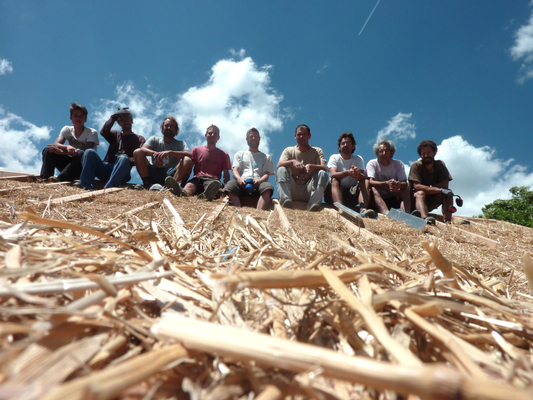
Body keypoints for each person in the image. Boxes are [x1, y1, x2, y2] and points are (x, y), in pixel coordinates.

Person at [77, 107, 145, 190]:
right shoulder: (115, 134)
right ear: (119, 123)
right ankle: (86, 186)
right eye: (122, 120)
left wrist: (127, 159)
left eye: (128, 119)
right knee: (89, 152)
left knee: (123, 158)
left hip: (122, 171)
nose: (126, 122)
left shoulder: (139, 139)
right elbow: (104, 131)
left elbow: (140, 156)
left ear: (132, 121)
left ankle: (109, 188)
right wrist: (114, 117)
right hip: (106, 168)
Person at [165, 125, 231, 201]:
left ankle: (206, 196)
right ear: (206, 135)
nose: (212, 135)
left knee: (211, 187)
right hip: (198, 178)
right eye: (210, 133)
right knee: (189, 187)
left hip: (212, 180)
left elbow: (226, 174)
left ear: (218, 137)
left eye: (215, 134)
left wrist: (226, 186)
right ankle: (183, 194)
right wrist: (184, 183)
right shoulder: (197, 150)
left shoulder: (224, 155)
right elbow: (189, 167)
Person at [39, 102, 99, 182]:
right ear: (71, 117)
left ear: (85, 119)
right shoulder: (67, 129)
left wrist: (61, 152)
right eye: (75, 116)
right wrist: (67, 147)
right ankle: (44, 178)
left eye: (81, 116)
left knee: (80, 153)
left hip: (83, 168)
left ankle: (61, 179)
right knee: (49, 150)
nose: (78, 118)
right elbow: (56, 144)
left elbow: (85, 152)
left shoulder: (92, 132)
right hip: (71, 166)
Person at [276, 124, 328, 211]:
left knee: (322, 173)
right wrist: (293, 162)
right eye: (299, 134)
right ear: (295, 136)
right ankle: (285, 200)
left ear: (309, 136)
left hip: (309, 189)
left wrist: (311, 166)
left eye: (304, 134)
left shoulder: (317, 151)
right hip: (292, 189)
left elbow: (324, 167)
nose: (301, 137)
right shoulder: (288, 150)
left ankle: (314, 203)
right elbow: (279, 165)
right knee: (281, 169)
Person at [133, 116, 192, 189]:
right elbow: (142, 149)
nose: (169, 128)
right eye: (166, 126)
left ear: (176, 130)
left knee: (187, 160)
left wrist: (170, 152)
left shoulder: (180, 143)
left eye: (172, 126)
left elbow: (189, 155)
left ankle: (173, 187)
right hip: (154, 171)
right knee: (137, 152)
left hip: (171, 174)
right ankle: (147, 183)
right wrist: (157, 154)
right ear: (162, 128)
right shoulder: (154, 139)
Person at [224, 128, 274, 210]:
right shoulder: (240, 154)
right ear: (247, 139)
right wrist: (240, 180)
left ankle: (259, 213)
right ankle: (238, 212)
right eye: (251, 136)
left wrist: (259, 181)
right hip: (242, 184)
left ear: (259, 138)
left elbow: (266, 175)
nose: (254, 138)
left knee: (268, 187)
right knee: (230, 186)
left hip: (258, 185)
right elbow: (235, 171)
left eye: (256, 136)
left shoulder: (266, 157)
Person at [326, 132, 375, 217]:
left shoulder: (358, 159)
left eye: (348, 143)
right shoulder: (334, 157)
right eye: (343, 143)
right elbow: (332, 174)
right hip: (333, 193)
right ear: (339, 147)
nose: (345, 145)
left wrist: (356, 174)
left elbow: (362, 176)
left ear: (353, 146)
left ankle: (363, 209)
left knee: (365, 181)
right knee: (334, 179)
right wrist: (348, 172)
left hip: (351, 195)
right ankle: (340, 208)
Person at [408, 140, 454, 224]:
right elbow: (417, 187)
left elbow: (445, 184)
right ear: (420, 155)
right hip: (414, 201)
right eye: (423, 153)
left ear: (435, 153)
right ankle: (425, 219)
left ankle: (448, 221)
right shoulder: (416, 166)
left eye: (428, 152)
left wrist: (431, 189)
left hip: (431, 199)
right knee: (420, 193)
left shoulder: (440, 164)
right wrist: (439, 190)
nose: (426, 155)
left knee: (448, 193)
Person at [366, 138, 411, 214]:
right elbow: (371, 182)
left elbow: (404, 183)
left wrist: (397, 185)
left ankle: (406, 213)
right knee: (374, 188)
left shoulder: (398, 164)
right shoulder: (372, 163)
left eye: (386, 151)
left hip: (394, 197)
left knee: (405, 190)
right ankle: (386, 213)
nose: (384, 154)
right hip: (378, 198)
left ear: (391, 153)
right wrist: (387, 183)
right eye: (381, 151)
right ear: (377, 154)